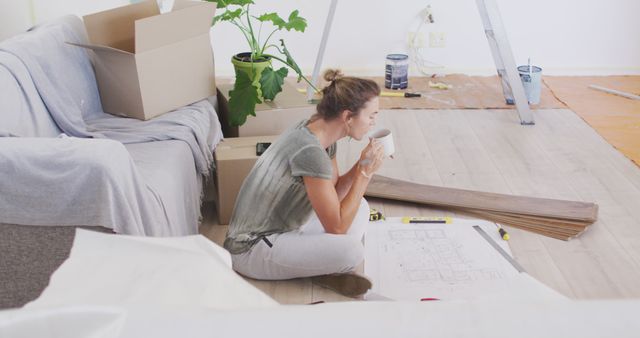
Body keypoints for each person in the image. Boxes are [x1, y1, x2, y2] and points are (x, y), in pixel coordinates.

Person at [223, 69, 385, 297]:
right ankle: (324, 268)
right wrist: (365, 175)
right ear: (348, 117)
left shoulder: (319, 132)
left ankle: (319, 266)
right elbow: (336, 228)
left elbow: (335, 193)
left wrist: (361, 165)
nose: (373, 122)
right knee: (352, 251)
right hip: (251, 249)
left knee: (362, 207)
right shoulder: (310, 152)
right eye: (371, 116)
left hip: (286, 226)